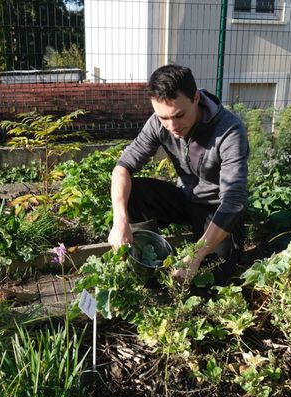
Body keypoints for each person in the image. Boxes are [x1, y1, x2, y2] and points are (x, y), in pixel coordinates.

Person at [107, 64, 249, 285]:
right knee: (133, 193)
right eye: (163, 117)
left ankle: (204, 255)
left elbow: (234, 201)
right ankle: (149, 260)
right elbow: (122, 167)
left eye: (179, 115)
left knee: (212, 278)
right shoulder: (159, 122)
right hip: (186, 197)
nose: (172, 126)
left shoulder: (229, 131)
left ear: (195, 98)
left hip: (217, 209)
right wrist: (120, 220)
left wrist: (195, 254)